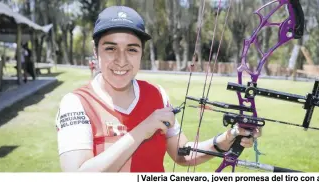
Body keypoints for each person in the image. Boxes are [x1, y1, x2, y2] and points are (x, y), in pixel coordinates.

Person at [55, 6, 261, 172]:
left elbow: (184, 154)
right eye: (110, 48)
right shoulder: (76, 103)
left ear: (141, 53)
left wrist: (228, 137)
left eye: (132, 49)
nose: (121, 60)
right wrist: (143, 129)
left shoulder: (157, 95)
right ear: (95, 50)